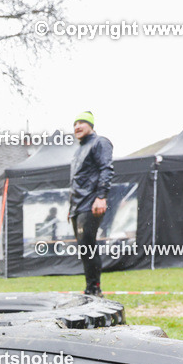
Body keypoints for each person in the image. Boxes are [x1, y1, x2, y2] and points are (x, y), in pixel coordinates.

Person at [68, 110, 114, 297]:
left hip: (91, 202)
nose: (77, 126)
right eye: (75, 123)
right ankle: (90, 288)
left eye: (82, 122)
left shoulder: (99, 142)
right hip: (77, 205)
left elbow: (106, 169)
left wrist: (101, 196)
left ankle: (94, 289)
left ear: (91, 125)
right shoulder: (78, 150)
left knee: (88, 245)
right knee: (84, 248)